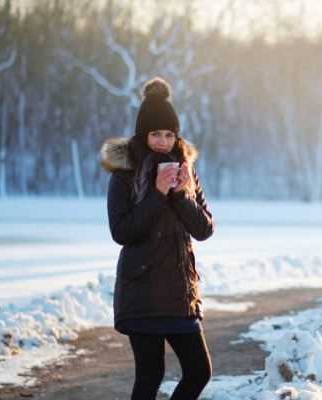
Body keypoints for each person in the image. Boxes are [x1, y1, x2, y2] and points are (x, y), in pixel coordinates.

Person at [99, 76, 214, 400]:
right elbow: (121, 232)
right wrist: (157, 194)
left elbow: (204, 229)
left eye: (169, 134)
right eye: (155, 134)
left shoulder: (185, 171)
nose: (163, 141)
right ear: (143, 134)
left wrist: (181, 195)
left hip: (180, 293)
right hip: (142, 292)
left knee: (199, 372)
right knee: (151, 376)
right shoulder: (125, 174)